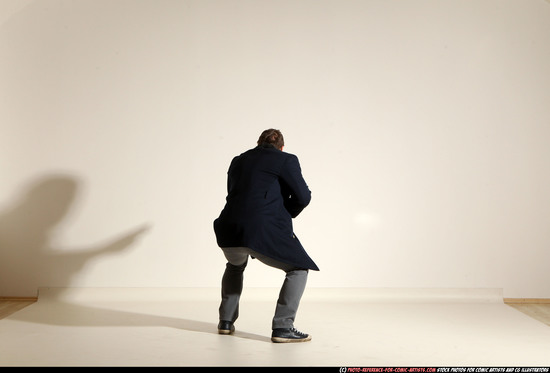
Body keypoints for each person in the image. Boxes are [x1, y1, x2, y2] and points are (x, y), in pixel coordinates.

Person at [213, 129, 318, 343]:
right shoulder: (286, 159)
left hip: (228, 228)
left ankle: (225, 322)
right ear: (281, 146)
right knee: (298, 269)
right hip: (261, 229)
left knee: (235, 266)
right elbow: (303, 196)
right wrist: (285, 211)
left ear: (258, 143)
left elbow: (235, 193)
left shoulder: (238, 160)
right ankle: (283, 327)